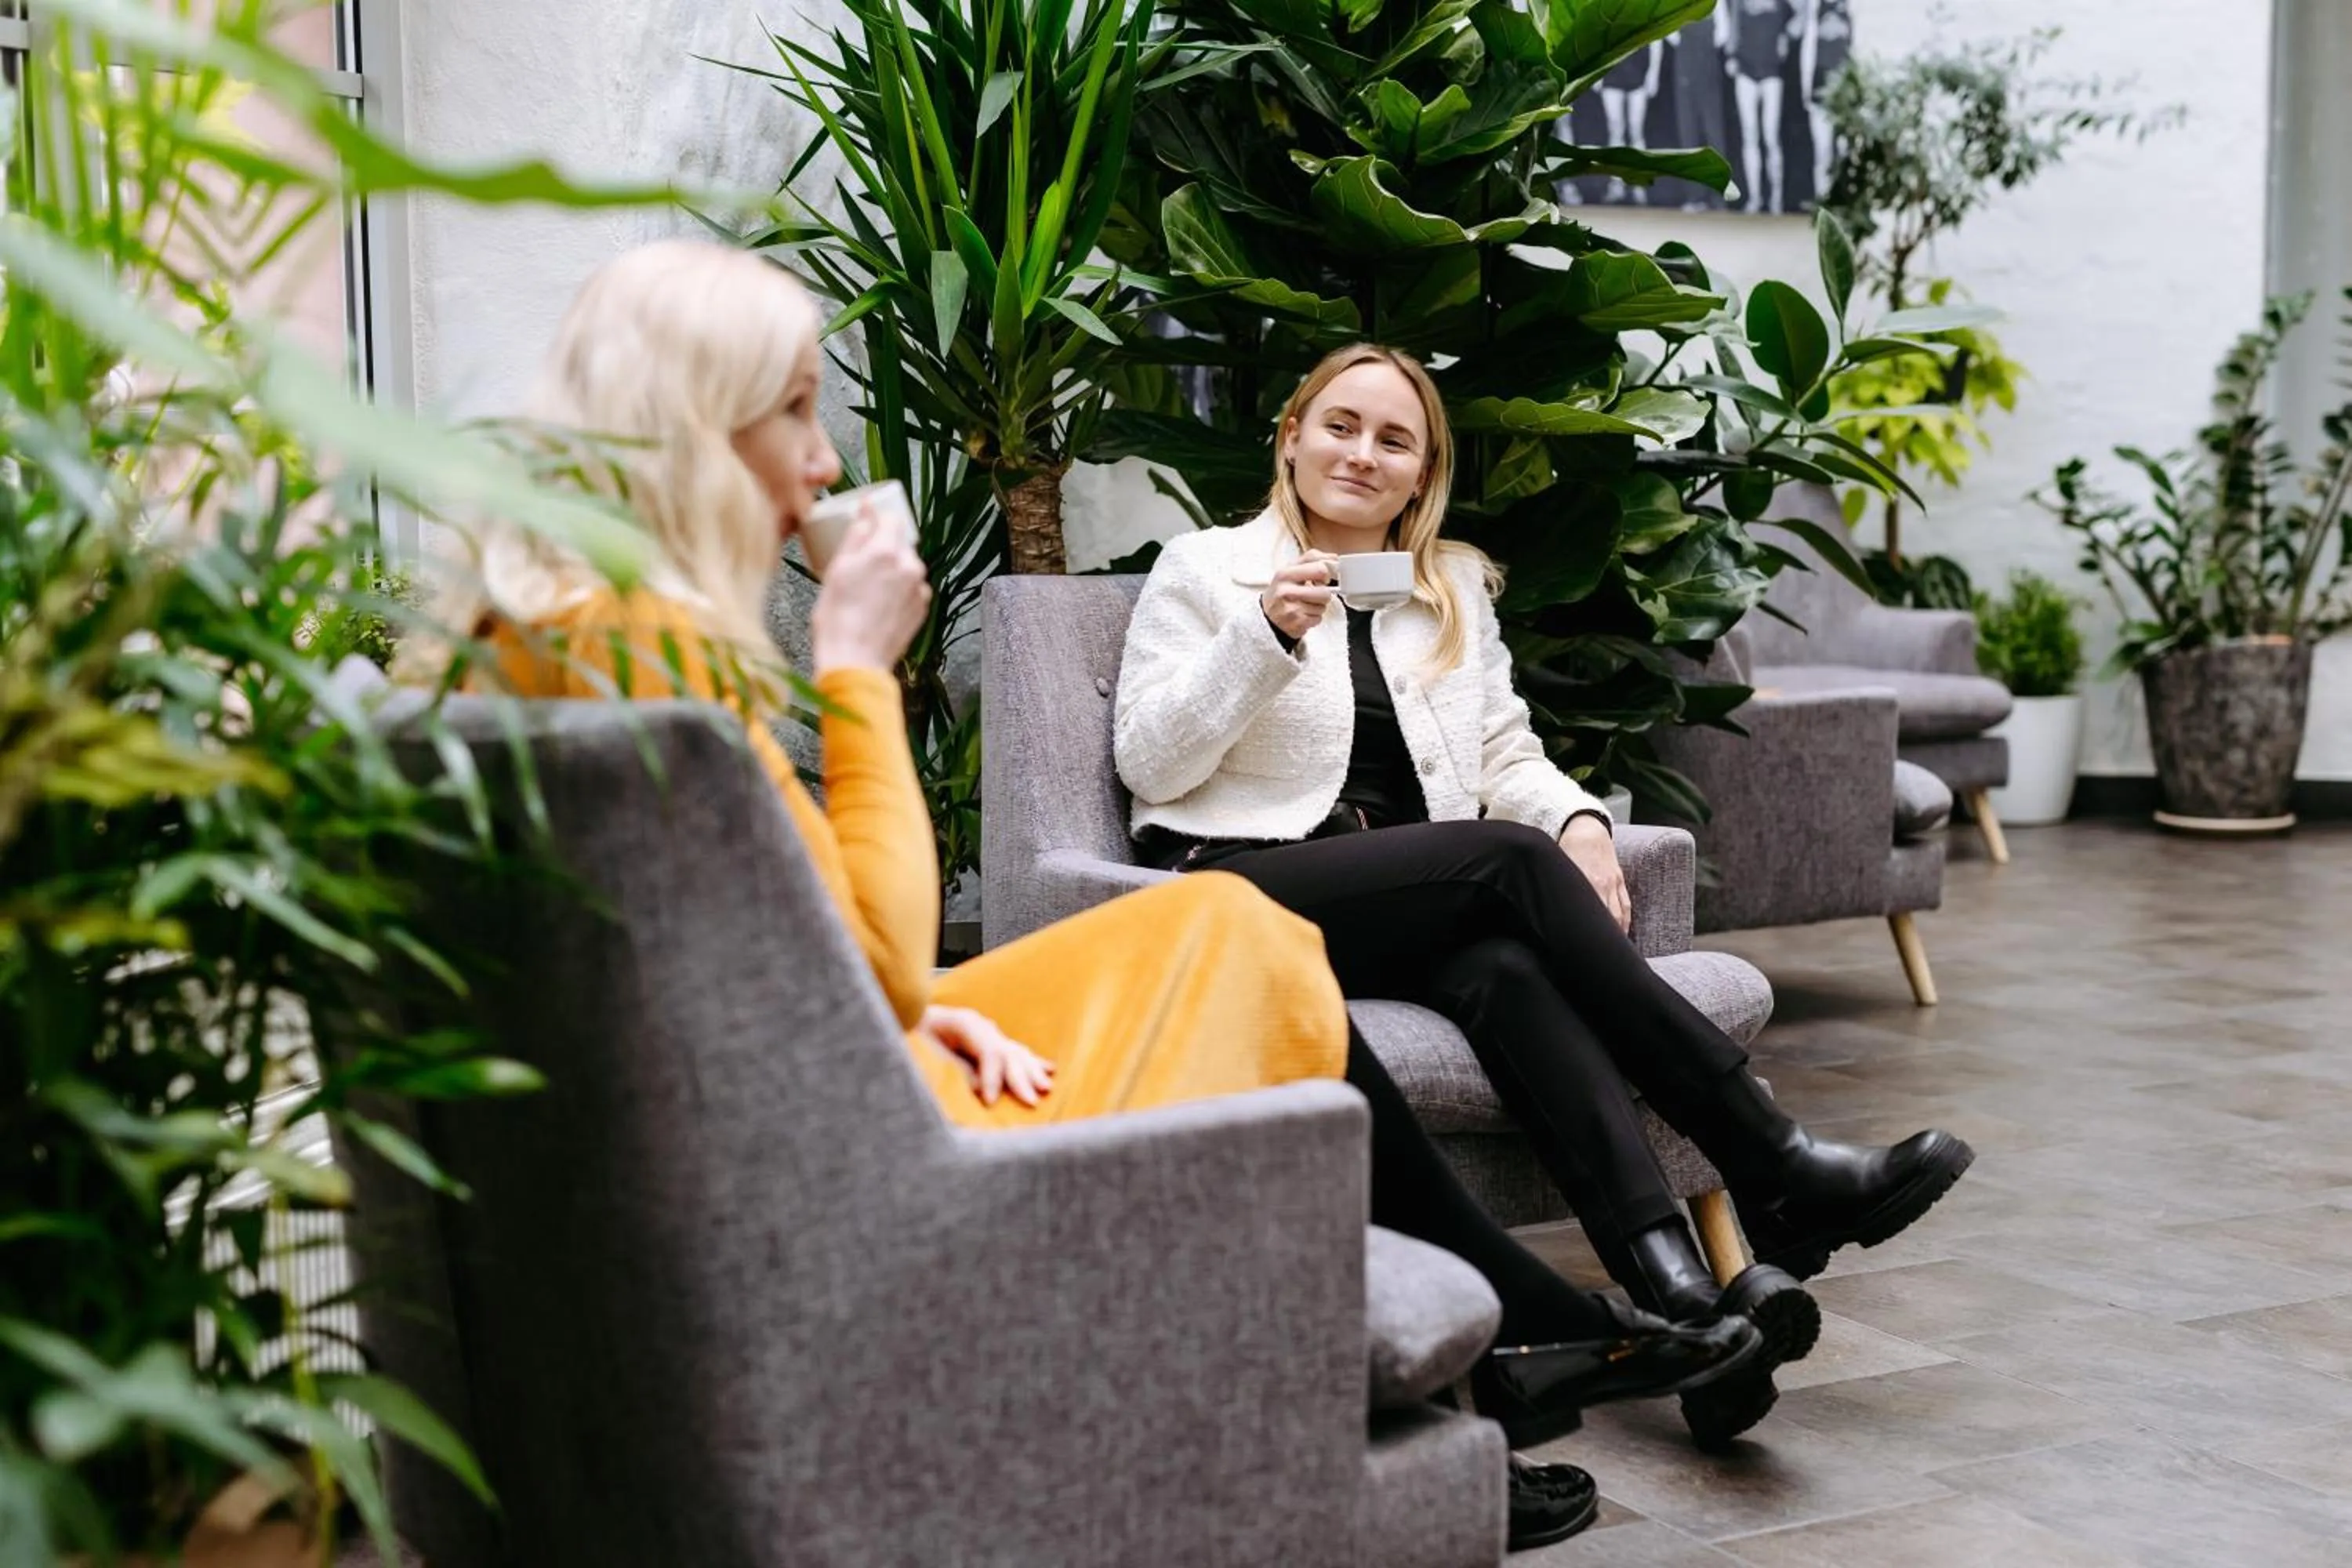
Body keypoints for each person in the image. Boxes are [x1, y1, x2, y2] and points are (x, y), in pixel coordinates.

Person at [429, 241, 1759, 1547]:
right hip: (849, 1107)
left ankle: (1510, 1333)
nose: (826, 459)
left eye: (1395, 440)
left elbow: (742, 937)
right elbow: (893, 936)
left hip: (837, 1049)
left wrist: (908, 1006)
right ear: (692, 432)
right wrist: (854, 672)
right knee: (1243, 925)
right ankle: (1534, 1309)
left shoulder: (550, 631)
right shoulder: (644, 644)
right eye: (792, 414)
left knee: (1251, 932)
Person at [1112, 343, 1976, 1447]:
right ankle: (1773, 1161)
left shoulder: (1450, 590)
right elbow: (1150, 764)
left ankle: (1686, 1309)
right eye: (1340, 426)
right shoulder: (1204, 571)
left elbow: (1504, 755)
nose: (1362, 454)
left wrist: (1574, 818)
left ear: (1422, 476)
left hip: (1403, 901)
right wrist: (1265, 634)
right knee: (1506, 866)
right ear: (1290, 435)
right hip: (1243, 894)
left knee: (1507, 968)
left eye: (1395, 440)